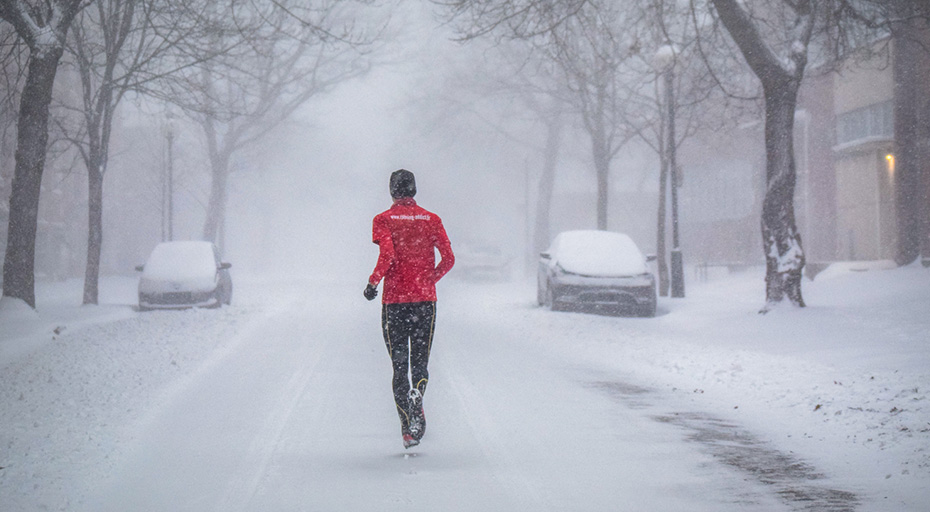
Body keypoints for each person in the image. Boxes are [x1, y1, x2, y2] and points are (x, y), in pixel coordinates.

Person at [364, 169, 455, 449]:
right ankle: (419, 394)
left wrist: (372, 282)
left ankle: (407, 426)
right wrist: (429, 279)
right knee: (420, 361)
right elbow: (449, 258)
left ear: (392, 190)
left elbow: (388, 255)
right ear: (414, 190)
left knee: (399, 364)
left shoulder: (383, 220)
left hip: (395, 302)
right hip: (425, 302)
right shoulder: (432, 219)